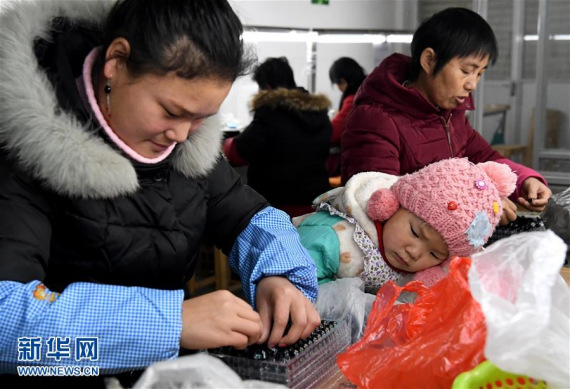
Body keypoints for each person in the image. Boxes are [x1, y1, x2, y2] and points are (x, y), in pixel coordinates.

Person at [0, 0, 320, 384]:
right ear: (116, 64)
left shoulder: (186, 149)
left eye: (200, 117)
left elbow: (248, 216)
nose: (182, 134)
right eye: (171, 111)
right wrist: (168, 324)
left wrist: (277, 273)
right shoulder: (18, 153)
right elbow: (11, 339)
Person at [341, 7, 552, 224]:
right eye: (466, 70)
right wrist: (477, 202)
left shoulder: (451, 116)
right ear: (429, 60)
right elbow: (376, 202)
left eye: (480, 73)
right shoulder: (376, 118)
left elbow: (483, 157)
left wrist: (524, 181)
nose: (472, 84)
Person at [294, 158, 517, 292]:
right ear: (391, 205)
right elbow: (292, 281)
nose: (415, 252)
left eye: (434, 253)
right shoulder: (334, 238)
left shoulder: (425, 272)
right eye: (415, 232)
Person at [223, 57, 332, 218]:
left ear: (267, 87)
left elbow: (238, 153)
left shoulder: (271, 112)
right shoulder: (319, 113)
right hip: (315, 200)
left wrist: (227, 143)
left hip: (277, 203)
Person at [326, 57, 367, 177]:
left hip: (357, 160)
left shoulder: (353, 100)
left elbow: (333, 133)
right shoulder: (366, 91)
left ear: (342, 81)